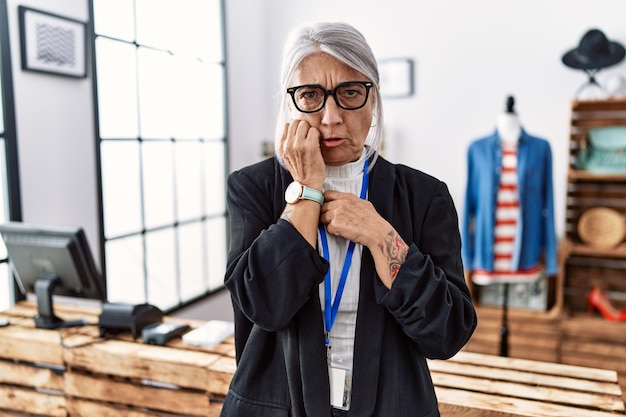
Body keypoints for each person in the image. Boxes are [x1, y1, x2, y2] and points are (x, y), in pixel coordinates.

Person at [220, 21, 477, 417]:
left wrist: (379, 235)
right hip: (276, 405)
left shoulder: (425, 196)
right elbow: (264, 306)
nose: (330, 117)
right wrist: (307, 188)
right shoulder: (252, 188)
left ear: (372, 100)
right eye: (310, 95)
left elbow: (448, 333)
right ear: (291, 103)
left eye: (350, 93)